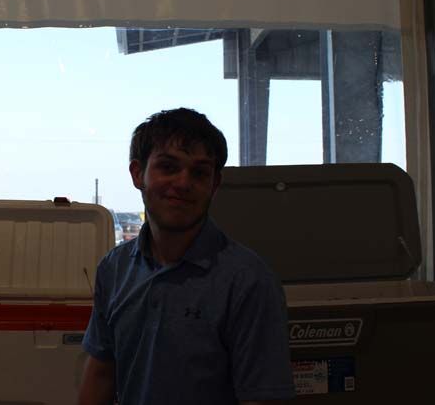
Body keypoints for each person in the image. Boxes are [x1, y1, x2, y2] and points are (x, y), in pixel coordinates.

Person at [78, 108, 294, 405]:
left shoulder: (247, 281)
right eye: (168, 167)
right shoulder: (114, 269)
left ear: (214, 185)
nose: (183, 183)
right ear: (137, 173)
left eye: (199, 172)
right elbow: (101, 374)